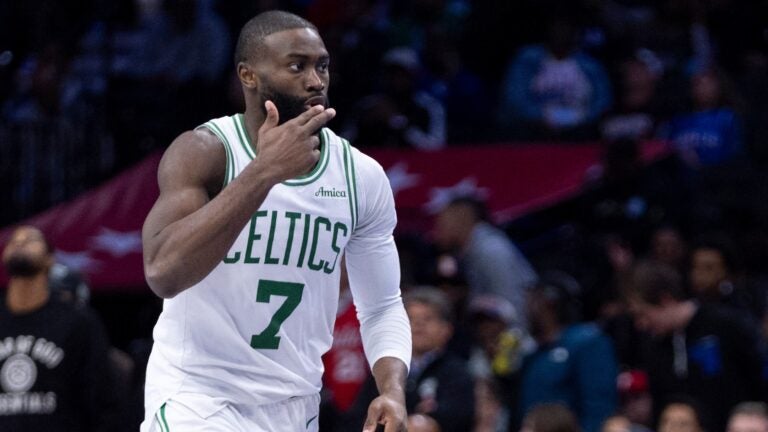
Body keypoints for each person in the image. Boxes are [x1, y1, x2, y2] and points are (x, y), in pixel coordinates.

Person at [140, 10, 412, 432]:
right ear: (249, 76)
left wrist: (391, 388)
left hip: (295, 404)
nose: (315, 80)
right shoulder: (207, 152)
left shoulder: (361, 176)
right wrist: (264, 173)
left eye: (322, 65)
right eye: (296, 66)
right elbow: (162, 272)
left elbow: (381, 304)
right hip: (198, 397)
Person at [625, 261, 766, 432]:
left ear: (665, 300)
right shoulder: (653, 346)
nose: (641, 324)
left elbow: (759, 377)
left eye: (643, 314)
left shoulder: (726, 325)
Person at [0, 226, 117, 431]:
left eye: (30, 239)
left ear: (50, 258)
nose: (20, 243)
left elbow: (101, 400)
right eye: (14, 241)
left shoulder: (78, 321)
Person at [346, 287, 475, 432]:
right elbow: (358, 416)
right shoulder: (383, 368)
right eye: (410, 319)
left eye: (428, 318)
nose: (418, 324)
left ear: (446, 330)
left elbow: (460, 418)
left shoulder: (457, 372)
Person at [518, 275, 618, 432]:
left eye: (532, 300)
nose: (525, 308)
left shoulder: (586, 342)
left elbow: (598, 406)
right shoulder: (532, 352)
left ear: (549, 302)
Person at [432, 196, 537, 326]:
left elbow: (510, 303)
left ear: (462, 218)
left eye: (442, 225)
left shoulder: (490, 250)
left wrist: (513, 344)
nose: (436, 233)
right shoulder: (474, 251)